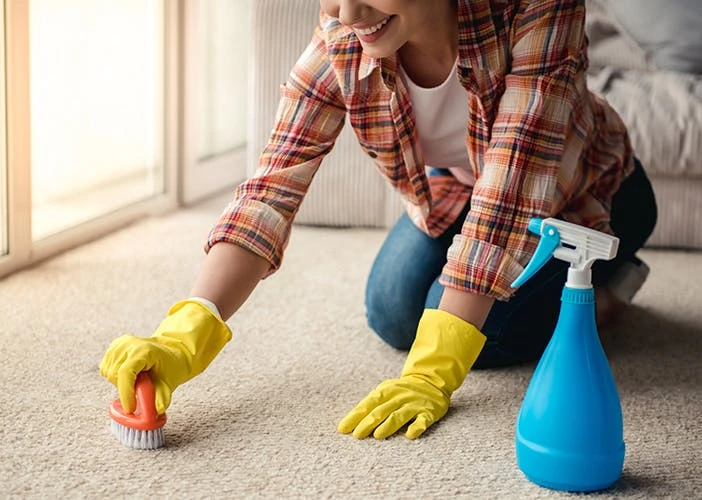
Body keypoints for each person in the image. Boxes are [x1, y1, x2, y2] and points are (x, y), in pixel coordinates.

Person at [100, 0, 657, 441]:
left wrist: (432, 373)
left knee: (480, 336)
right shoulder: (344, 34)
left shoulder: (540, 7)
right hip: (460, 188)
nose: (347, 13)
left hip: (582, 195)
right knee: (394, 311)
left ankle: (607, 283)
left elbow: (512, 188)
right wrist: (186, 330)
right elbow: (273, 185)